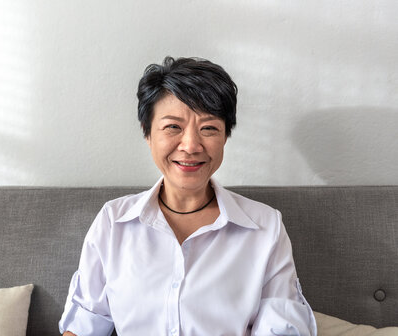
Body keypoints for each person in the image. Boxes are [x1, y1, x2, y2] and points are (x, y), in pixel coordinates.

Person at [59, 56, 316, 336]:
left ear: (225, 137)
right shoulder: (113, 221)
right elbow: (84, 324)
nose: (191, 145)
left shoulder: (266, 227)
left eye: (209, 128)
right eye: (173, 127)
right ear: (147, 132)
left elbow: (281, 329)